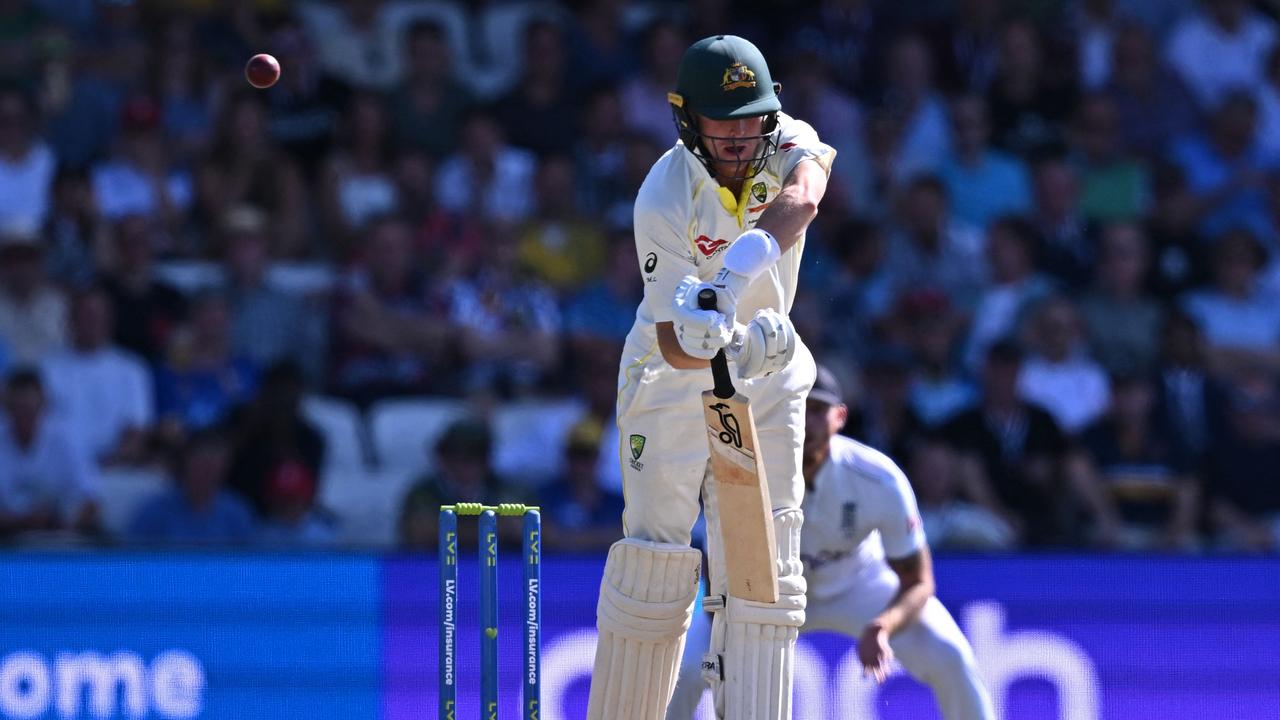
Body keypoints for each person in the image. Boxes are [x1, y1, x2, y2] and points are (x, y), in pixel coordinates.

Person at [588, 35, 834, 720]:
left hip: (769, 368)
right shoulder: (662, 195)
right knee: (654, 563)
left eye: (751, 115)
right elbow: (674, 341)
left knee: (765, 571)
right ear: (686, 118)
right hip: (670, 377)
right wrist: (731, 347)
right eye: (721, 120)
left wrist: (732, 279)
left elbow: (805, 197)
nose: (738, 134)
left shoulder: (788, 140)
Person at [668, 367, 995, 719]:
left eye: (817, 409)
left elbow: (919, 580)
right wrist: (732, 629)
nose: (806, 421)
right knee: (684, 671)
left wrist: (883, 625)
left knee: (951, 655)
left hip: (857, 583)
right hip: (764, 591)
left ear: (840, 417)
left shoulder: (876, 478)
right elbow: (714, 564)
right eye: (798, 407)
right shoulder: (742, 469)